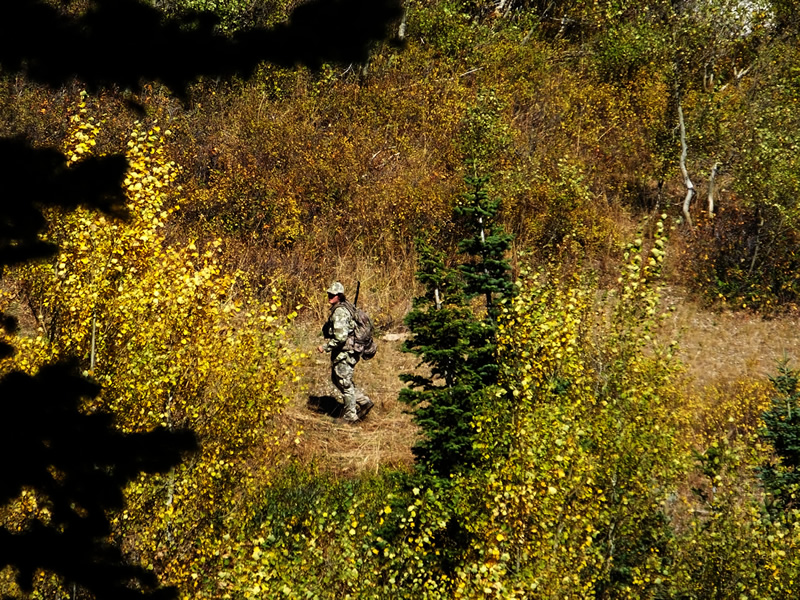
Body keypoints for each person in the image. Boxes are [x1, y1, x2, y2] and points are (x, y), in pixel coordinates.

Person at [317, 281, 374, 423]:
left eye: (333, 295)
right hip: (348, 350)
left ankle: (350, 416)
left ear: (339, 296)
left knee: (343, 382)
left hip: (345, 352)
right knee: (338, 380)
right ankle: (364, 401)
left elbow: (340, 337)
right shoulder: (345, 307)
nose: (330, 296)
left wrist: (326, 347)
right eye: (329, 294)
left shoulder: (340, 312)